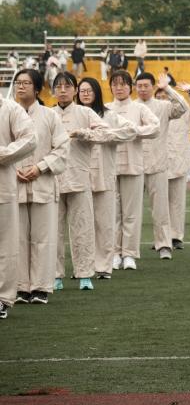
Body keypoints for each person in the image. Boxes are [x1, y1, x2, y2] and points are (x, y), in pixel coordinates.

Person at [52, 72, 117, 293]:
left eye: (67, 86)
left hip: (79, 178)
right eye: (58, 87)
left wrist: (85, 134)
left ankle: (85, 274)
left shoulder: (85, 112)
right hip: (52, 180)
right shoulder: (48, 114)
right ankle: (55, 275)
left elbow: (107, 133)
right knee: (54, 231)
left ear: (75, 90)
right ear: (53, 90)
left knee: (83, 228)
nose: (63, 90)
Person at [13, 68, 70, 305]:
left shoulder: (50, 116)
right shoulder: (6, 114)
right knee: (16, 239)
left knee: (43, 238)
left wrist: (40, 167)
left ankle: (40, 288)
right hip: (13, 184)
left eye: (26, 83)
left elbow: (62, 149)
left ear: (37, 88)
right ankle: (20, 287)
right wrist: (12, 169)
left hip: (43, 183)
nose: (20, 86)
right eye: (18, 82)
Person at [76, 77, 136, 279]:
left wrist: (104, 134)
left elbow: (131, 131)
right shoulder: (75, 115)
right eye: (82, 91)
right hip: (79, 176)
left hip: (104, 175)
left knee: (105, 223)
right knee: (81, 225)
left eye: (89, 90)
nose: (85, 94)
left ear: (97, 92)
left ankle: (103, 266)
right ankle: (83, 267)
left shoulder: (109, 115)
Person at [106, 70, 160, 271]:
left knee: (131, 213)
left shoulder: (139, 108)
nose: (119, 88)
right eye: (115, 84)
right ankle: (113, 253)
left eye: (123, 84)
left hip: (133, 165)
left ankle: (129, 254)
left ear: (130, 87)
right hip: (109, 167)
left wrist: (135, 131)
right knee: (112, 213)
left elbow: (155, 127)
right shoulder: (106, 109)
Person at [134, 72, 190, 260]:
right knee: (129, 212)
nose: (142, 89)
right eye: (139, 86)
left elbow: (183, 107)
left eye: (146, 86)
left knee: (160, 210)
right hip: (133, 166)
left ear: (153, 87)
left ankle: (164, 245)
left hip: (157, 164)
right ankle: (127, 250)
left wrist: (167, 88)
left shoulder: (163, 106)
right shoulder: (131, 107)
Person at [0, 91, 36, 319]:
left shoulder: (10, 109)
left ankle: (2, 298)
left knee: (5, 246)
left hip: (2, 187)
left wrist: (2, 154)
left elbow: (30, 139)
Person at [159, 81, 190, 249]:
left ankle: (176, 237)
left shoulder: (184, 114)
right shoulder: (154, 113)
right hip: (157, 164)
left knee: (177, 203)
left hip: (178, 163)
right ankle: (161, 238)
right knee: (159, 204)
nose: (164, 98)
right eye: (160, 96)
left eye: (166, 95)